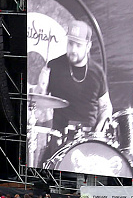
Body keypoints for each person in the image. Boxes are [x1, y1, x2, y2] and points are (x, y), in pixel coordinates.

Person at [43, 20, 112, 162]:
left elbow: (105, 106)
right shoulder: (54, 66)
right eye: (70, 43)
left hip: (90, 139)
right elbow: (39, 101)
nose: (73, 49)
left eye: (78, 45)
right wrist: (41, 85)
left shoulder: (97, 72)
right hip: (60, 137)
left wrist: (98, 132)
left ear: (88, 46)